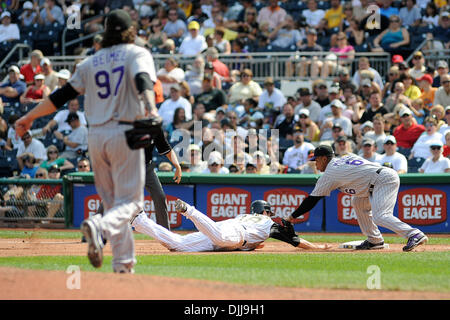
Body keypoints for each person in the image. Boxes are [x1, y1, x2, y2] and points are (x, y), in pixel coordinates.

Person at [15, 9, 159, 274]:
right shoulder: (137, 53)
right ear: (131, 31)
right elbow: (143, 81)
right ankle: (100, 226)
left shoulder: (90, 61)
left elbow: (60, 96)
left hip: (95, 137)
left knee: (116, 204)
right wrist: (151, 108)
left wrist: (28, 118)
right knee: (132, 203)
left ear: (105, 33)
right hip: (125, 132)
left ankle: (123, 264)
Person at [286, 145, 428, 252]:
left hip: (382, 180)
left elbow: (312, 200)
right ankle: (374, 240)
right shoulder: (346, 157)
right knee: (358, 201)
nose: (315, 164)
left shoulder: (330, 173)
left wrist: (292, 216)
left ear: (324, 158)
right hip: (375, 181)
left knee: (381, 216)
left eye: (316, 160)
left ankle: (414, 234)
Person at [131, 199, 330, 252]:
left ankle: (139, 220)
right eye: (269, 212)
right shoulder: (269, 222)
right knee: (219, 238)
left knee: (177, 245)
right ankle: (189, 210)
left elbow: (253, 243)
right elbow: (295, 241)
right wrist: (318, 247)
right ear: (266, 211)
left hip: (226, 228)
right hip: (230, 235)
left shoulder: (246, 216)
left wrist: (253, 246)